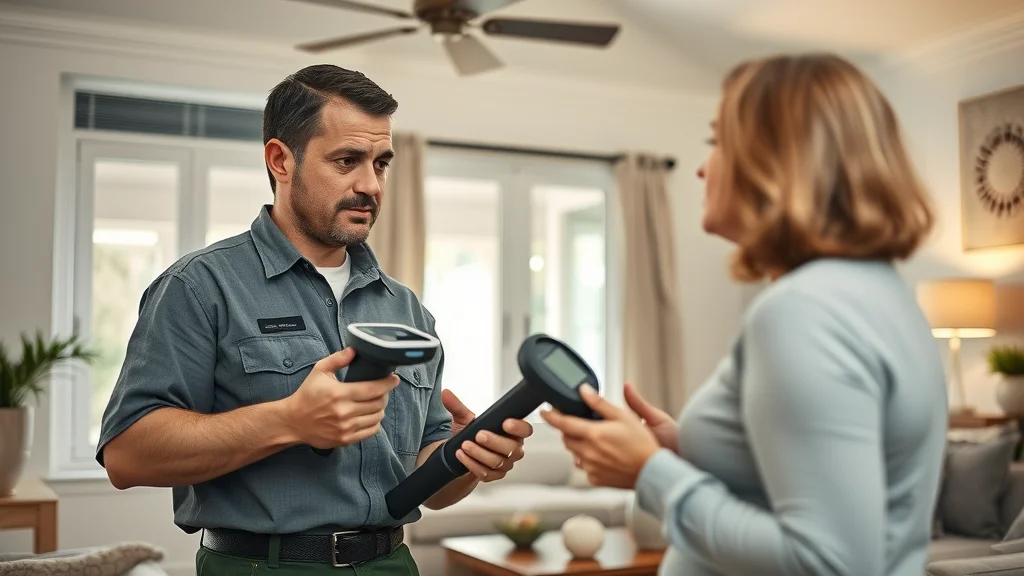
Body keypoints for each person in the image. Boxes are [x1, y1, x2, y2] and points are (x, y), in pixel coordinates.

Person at [96, 64, 533, 576]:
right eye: (347, 160)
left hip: (392, 563)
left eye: (381, 163)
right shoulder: (199, 287)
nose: (370, 185)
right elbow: (127, 457)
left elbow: (426, 485)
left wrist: (467, 458)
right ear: (281, 160)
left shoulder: (407, 309)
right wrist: (289, 421)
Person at [542, 53, 947, 576]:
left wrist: (651, 470)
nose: (702, 167)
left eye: (717, 142)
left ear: (776, 160)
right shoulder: (884, 294)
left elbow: (831, 563)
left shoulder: (803, 310)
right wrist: (688, 451)